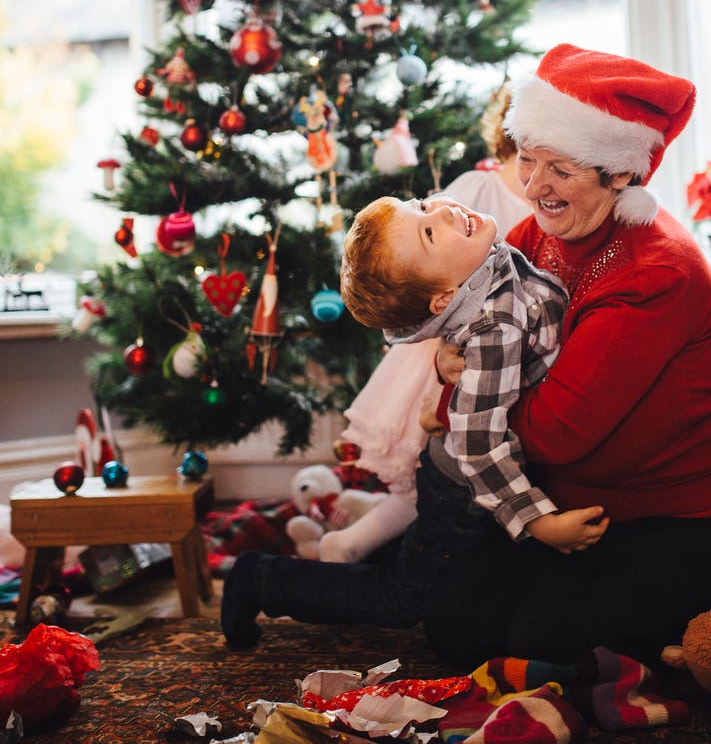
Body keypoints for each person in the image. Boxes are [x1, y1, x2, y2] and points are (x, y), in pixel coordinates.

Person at [418, 43, 711, 667]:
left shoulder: (656, 269)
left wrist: (465, 394)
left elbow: (557, 433)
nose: (534, 185)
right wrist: (449, 367)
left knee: (542, 641)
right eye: (528, 159)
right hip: (592, 507)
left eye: (559, 168)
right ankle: (690, 614)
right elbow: (469, 341)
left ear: (619, 172)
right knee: (454, 624)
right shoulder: (534, 234)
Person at [220, 190, 606, 651]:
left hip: (477, 483)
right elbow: (477, 446)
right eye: (428, 230)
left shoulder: (483, 260)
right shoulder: (492, 331)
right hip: (462, 492)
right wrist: (537, 522)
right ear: (444, 296)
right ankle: (262, 578)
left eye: (422, 206)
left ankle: (377, 545)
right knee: (404, 598)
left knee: (437, 570)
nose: (443, 210)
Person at [319, 85, 534, 563]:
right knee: (431, 464)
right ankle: (358, 543)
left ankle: (371, 525)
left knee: (442, 472)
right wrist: (439, 360)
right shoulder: (478, 193)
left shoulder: (555, 208)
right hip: (447, 350)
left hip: (505, 351)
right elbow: (416, 266)